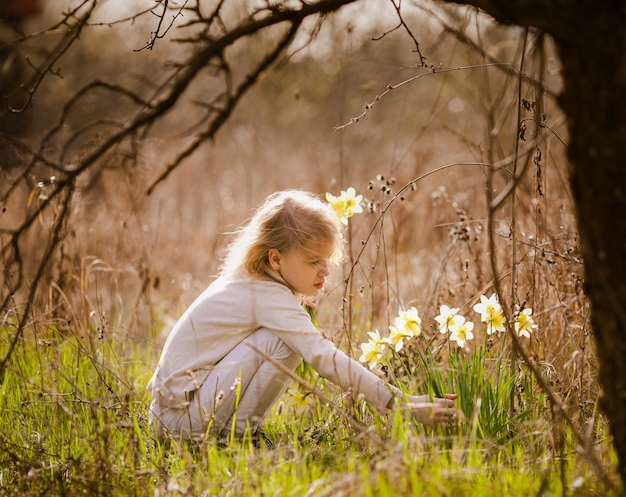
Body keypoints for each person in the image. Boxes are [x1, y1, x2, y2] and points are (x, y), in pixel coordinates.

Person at [148, 189, 459, 442]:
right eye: (313, 262)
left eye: (326, 260)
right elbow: (322, 357)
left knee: (286, 337)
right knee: (285, 341)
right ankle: (239, 438)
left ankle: (238, 435)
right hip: (180, 422)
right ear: (276, 259)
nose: (325, 270)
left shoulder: (250, 282)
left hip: (173, 415)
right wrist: (400, 406)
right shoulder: (266, 295)